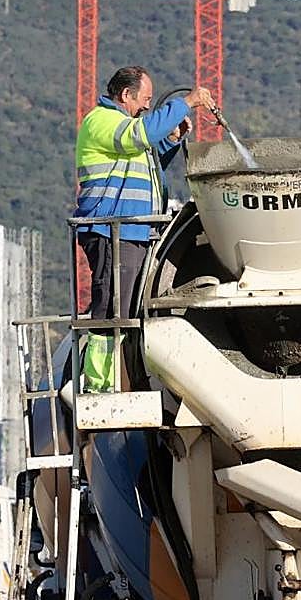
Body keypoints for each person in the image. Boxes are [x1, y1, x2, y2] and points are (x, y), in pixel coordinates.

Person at [73, 66, 215, 391]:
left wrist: (172, 139)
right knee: (113, 308)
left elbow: (145, 160)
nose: (148, 106)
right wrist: (186, 102)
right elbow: (140, 136)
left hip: (134, 232)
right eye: (146, 99)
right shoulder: (102, 121)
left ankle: (123, 375)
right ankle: (101, 383)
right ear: (126, 95)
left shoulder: (124, 129)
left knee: (128, 307)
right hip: (112, 231)